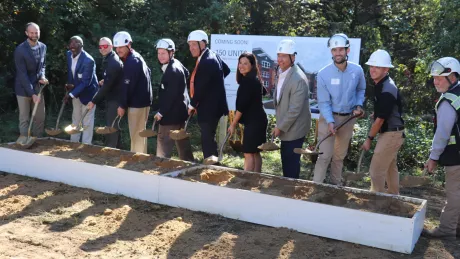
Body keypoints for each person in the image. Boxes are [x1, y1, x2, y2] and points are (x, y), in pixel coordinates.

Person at [313, 33, 366, 185]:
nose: (338, 53)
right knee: (324, 155)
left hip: (348, 119)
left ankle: (335, 187)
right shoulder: (323, 74)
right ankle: (315, 187)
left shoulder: (357, 71)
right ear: (331, 52)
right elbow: (323, 102)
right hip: (327, 119)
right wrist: (330, 121)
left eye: (341, 50)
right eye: (334, 50)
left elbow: (361, 89)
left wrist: (358, 105)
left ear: (347, 50)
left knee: (338, 157)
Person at [422, 57, 460, 240]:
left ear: (452, 77)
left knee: (454, 192)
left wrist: (433, 157)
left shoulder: (448, 101)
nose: (435, 82)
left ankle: (446, 229)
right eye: (434, 78)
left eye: (439, 78)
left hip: (456, 155)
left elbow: (442, 133)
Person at [361, 49, 404, 195]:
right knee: (390, 169)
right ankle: (394, 199)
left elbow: (379, 121)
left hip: (391, 134)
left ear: (386, 69)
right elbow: (384, 112)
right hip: (392, 132)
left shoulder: (387, 89)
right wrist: (378, 114)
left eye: (377, 67)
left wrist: (369, 139)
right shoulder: (381, 84)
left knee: (376, 171)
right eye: (372, 66)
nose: (373, 70)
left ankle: (376, 203)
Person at [187, 30, 230, 159]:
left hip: (209, 107)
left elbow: (201, 88)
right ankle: (212, 164)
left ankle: (211, 166)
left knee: (207, 139)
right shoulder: (211, 55)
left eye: (194, 44)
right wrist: (215, 85)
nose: (191, 48)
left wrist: (192, 105)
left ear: (203, 44)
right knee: (208, 137)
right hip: (212, 105)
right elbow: (226, 70)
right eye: (189, 45)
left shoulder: (207, 60)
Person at [272, 39, 311, 179]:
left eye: (284, 56)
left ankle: (292, 191)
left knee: (291, 163)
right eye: (278, 55)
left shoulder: (298, 79)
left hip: (295, 129)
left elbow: (294, 110)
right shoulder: (283, 72)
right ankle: (288, 187)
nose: (280, 59)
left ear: (293, 57)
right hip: (287, 127)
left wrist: (280, 127)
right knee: (286, 160)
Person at [154, 38, 194, 161]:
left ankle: (161, 169)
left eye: (163, 53)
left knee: (163, 144)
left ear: (171, 53)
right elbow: (187, 73)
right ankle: (189, 166)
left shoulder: (172, 70)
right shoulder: (176, 63)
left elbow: (170, 96)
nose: (160, 56)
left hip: (170, 116)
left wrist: (161, 113)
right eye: (159, 53)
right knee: (182, 143)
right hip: (181, 112)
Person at [228, 52, 268, 172]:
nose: (241, 66)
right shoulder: (253, 79)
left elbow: (241, 107)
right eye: (240, 63)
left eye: (245, 63)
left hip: (254, 122)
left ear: (252, 65)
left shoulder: (248, 82)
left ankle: (248, 180)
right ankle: (256, 178)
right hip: (259, 120)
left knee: (249, 153)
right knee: (255, 152)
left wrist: (233, 124)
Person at [113, 31, 153, 153]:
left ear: (128, 45)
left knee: (137, 134)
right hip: (142, 101)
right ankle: (139, 157)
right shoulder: (135, 57)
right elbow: (148, 72)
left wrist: (122, 105)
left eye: (121, 47)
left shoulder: (131, 61)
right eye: (116, 47)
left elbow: (127, 86)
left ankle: (138, 160)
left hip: (137, 103)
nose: (118, 50)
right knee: (139, 132)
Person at [14, 22, 48, 141]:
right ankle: (24, 143)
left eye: (36, 32)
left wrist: (42, 76)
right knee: (24, 118)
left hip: (38, 86)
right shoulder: (20, 50)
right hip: (23, 88)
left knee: (40, 117)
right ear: (26, 33)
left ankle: (37, 141)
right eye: (32, 33)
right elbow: (22, 74)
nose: (34, 35)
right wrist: (32, 93)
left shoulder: (43, 47)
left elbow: (43, 65)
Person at [87, 37, 123, 148]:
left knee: (111, 127)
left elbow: (107, 87)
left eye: (105, 46)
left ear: (111, 47)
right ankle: (117, 150)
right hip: (112, 97)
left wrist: (93, 101)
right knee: (113, 125)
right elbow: (111, 80)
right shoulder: (108, 59)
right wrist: (106, 80)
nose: (102, 48)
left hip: (116, 99)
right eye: (100, 46)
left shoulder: (113, 62)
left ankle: (111, 151)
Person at [65, 36, 98, 144]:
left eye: (76, 43)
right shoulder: (68, 54)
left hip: (89, 94)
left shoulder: (88, 60)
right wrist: (70, 86)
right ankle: (73, 144)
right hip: (76, 93)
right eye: (71, 42)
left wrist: (70, 95)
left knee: (87, 122)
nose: (73, 45)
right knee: (76, 119)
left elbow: (85, 82)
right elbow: (71, 73)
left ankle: (86, 147)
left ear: (82, 46)